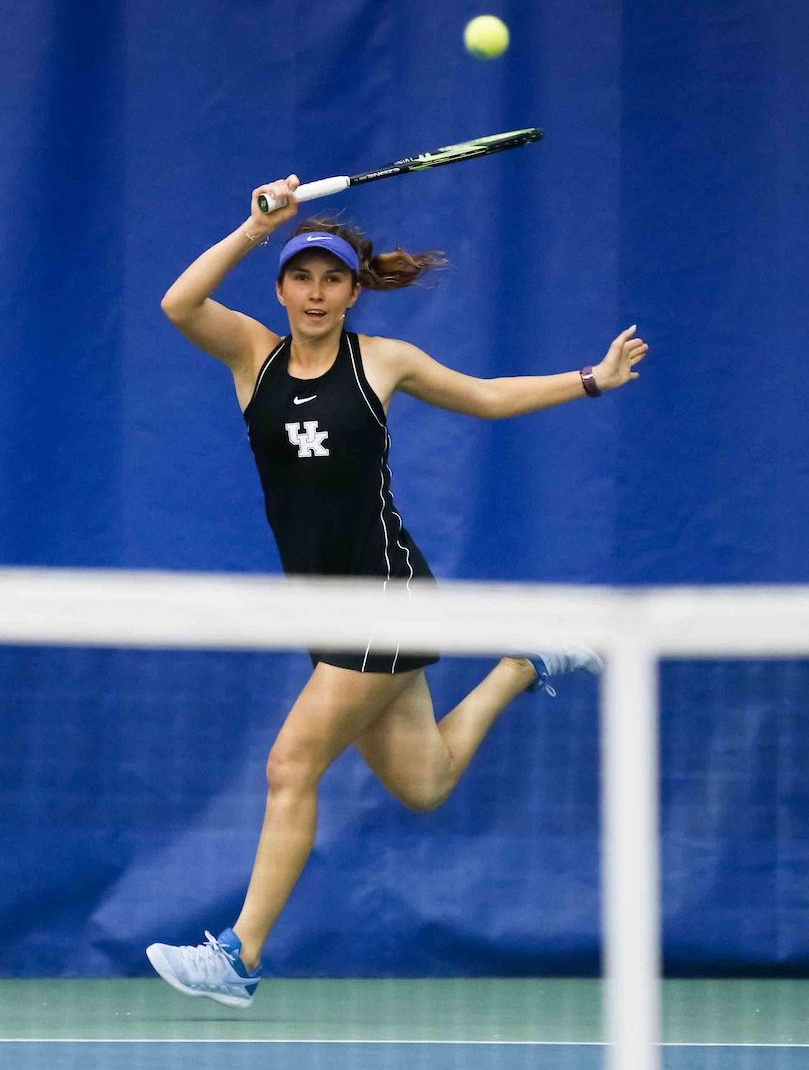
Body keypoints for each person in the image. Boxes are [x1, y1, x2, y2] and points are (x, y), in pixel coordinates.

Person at [146, 174, 648, 1008]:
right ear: (280, 288)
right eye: (301, 276)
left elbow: (485, 399)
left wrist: (590, 379)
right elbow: (178, 302)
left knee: (288, 764)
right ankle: (526, 661)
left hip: (387, 593)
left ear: (351, 290)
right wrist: (255, 226)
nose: (315, 292)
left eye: (332, 278)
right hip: (328, 610)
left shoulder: (383, 361)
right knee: (425, 782)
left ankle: (239, 954)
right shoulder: (251, 356)